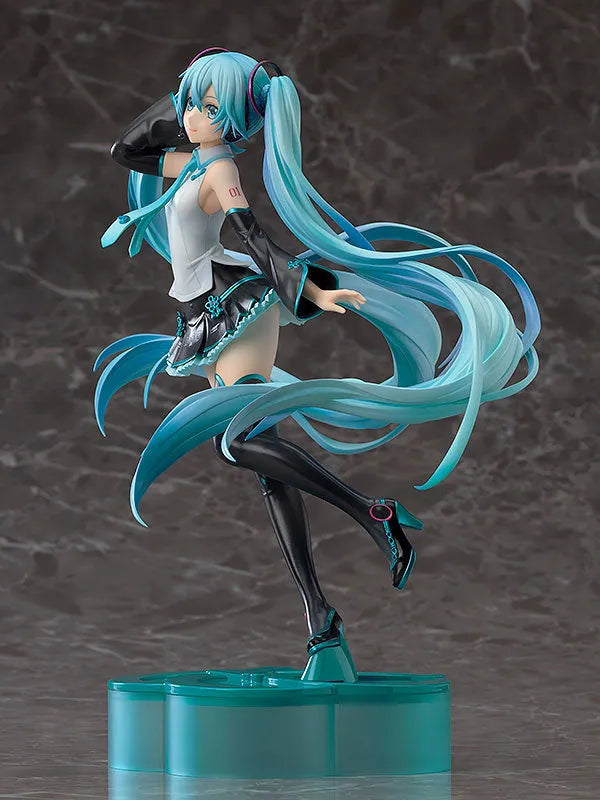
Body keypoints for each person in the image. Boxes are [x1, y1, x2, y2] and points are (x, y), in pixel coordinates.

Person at [94, 48, 540, 680]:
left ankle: (370, 511)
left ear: (237, 123)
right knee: (266, 467)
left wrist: (312, 292)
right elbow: (127, 150)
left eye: (209, 108)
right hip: (203, 319)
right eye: (190, 102)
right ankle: (320, 617)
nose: (191, 116)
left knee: (236, 442)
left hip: (237, 312)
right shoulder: (189, 160)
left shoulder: (219, 170)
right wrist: (195, 90)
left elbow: (255, 238)